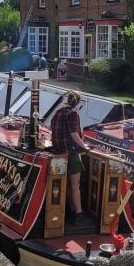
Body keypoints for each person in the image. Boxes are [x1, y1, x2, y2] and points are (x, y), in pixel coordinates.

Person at [51, 91, 89, 222]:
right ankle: (78, 213)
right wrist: (84, 147)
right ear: (77, 102)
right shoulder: (72, 112)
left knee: (66, 184)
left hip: (58, 152)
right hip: (71, 152)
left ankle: (70, 209)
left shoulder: (58, 112)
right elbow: (73, 133)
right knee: (75, 185)